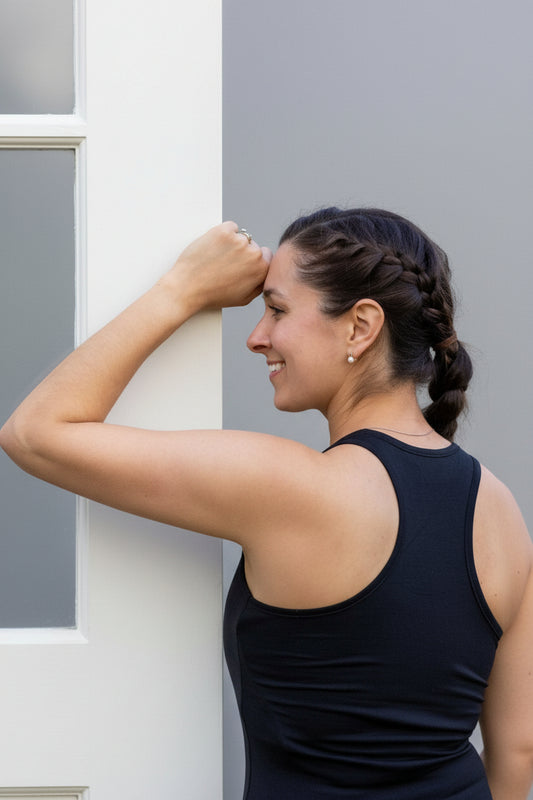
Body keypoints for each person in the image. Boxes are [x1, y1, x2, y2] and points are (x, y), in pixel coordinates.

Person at [1, 207, 532, 799]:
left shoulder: (290, 489)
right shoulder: (500, 508)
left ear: (360, 326)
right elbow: (517, 750)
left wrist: (183, 289)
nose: (256, 336)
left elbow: (34, 433)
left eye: (276, 309)